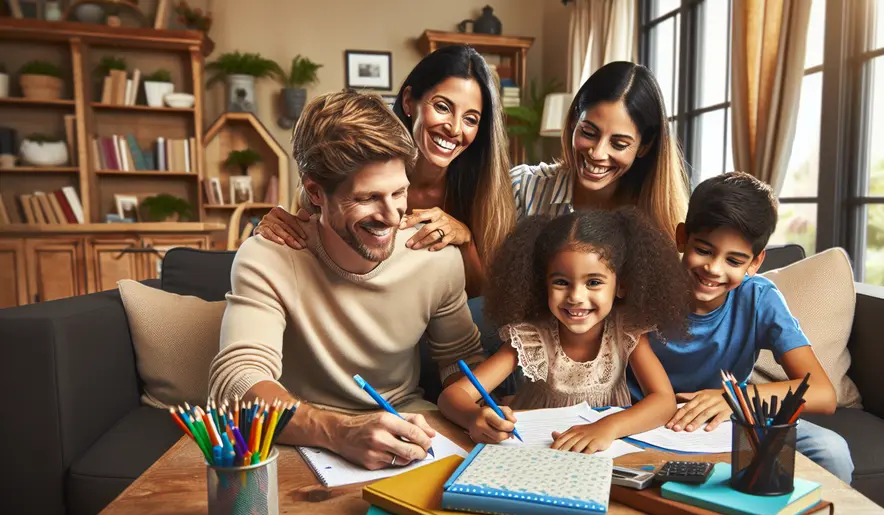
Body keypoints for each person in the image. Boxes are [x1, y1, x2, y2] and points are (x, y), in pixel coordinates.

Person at [208, 90, 485, 471]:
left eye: (399, 192)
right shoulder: (268, 257)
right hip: (299, 437)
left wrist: (476, 408)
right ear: (315, 192)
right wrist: (340, 431)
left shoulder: (435, 257)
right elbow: (238, 385)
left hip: (410, 433)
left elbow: (460, 362)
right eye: (368, 197)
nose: (391, 216)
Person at [626, 172, 855, 483]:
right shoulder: (646, 288)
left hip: (733, 416)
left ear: (755, 262)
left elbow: (822, 394)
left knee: (831, 450)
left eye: (734, 261)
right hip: (646, 416)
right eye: (704, 250)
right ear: (682, 237)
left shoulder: (760, 298)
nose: (713, 269)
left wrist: (733, 399)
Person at [253, 44, 515, 296]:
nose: (455, 129)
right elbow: (311, 256)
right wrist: (274, 232)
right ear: (409, 101)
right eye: (443, 107)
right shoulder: (354, 171)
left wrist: (465, 241)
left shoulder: (482, 190)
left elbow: (485, 298)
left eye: (471, 119)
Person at [438, 207, 691, 454]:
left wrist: (606, 428)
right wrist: (474, 418)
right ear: (542, 284)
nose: (576, 297)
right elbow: (452, 396)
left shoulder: (626, 332)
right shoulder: (531, 337)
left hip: (604, 456)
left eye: (593, 282)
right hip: (536, 452)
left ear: (621, 286)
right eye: (561, 282)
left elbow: (664, 401)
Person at [509, 61, 689, 240]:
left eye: (619, 144)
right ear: (574, 120)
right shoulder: (521, 188)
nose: (597, 153)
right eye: (588, 132)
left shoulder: (657, 222)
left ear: (644, 146)